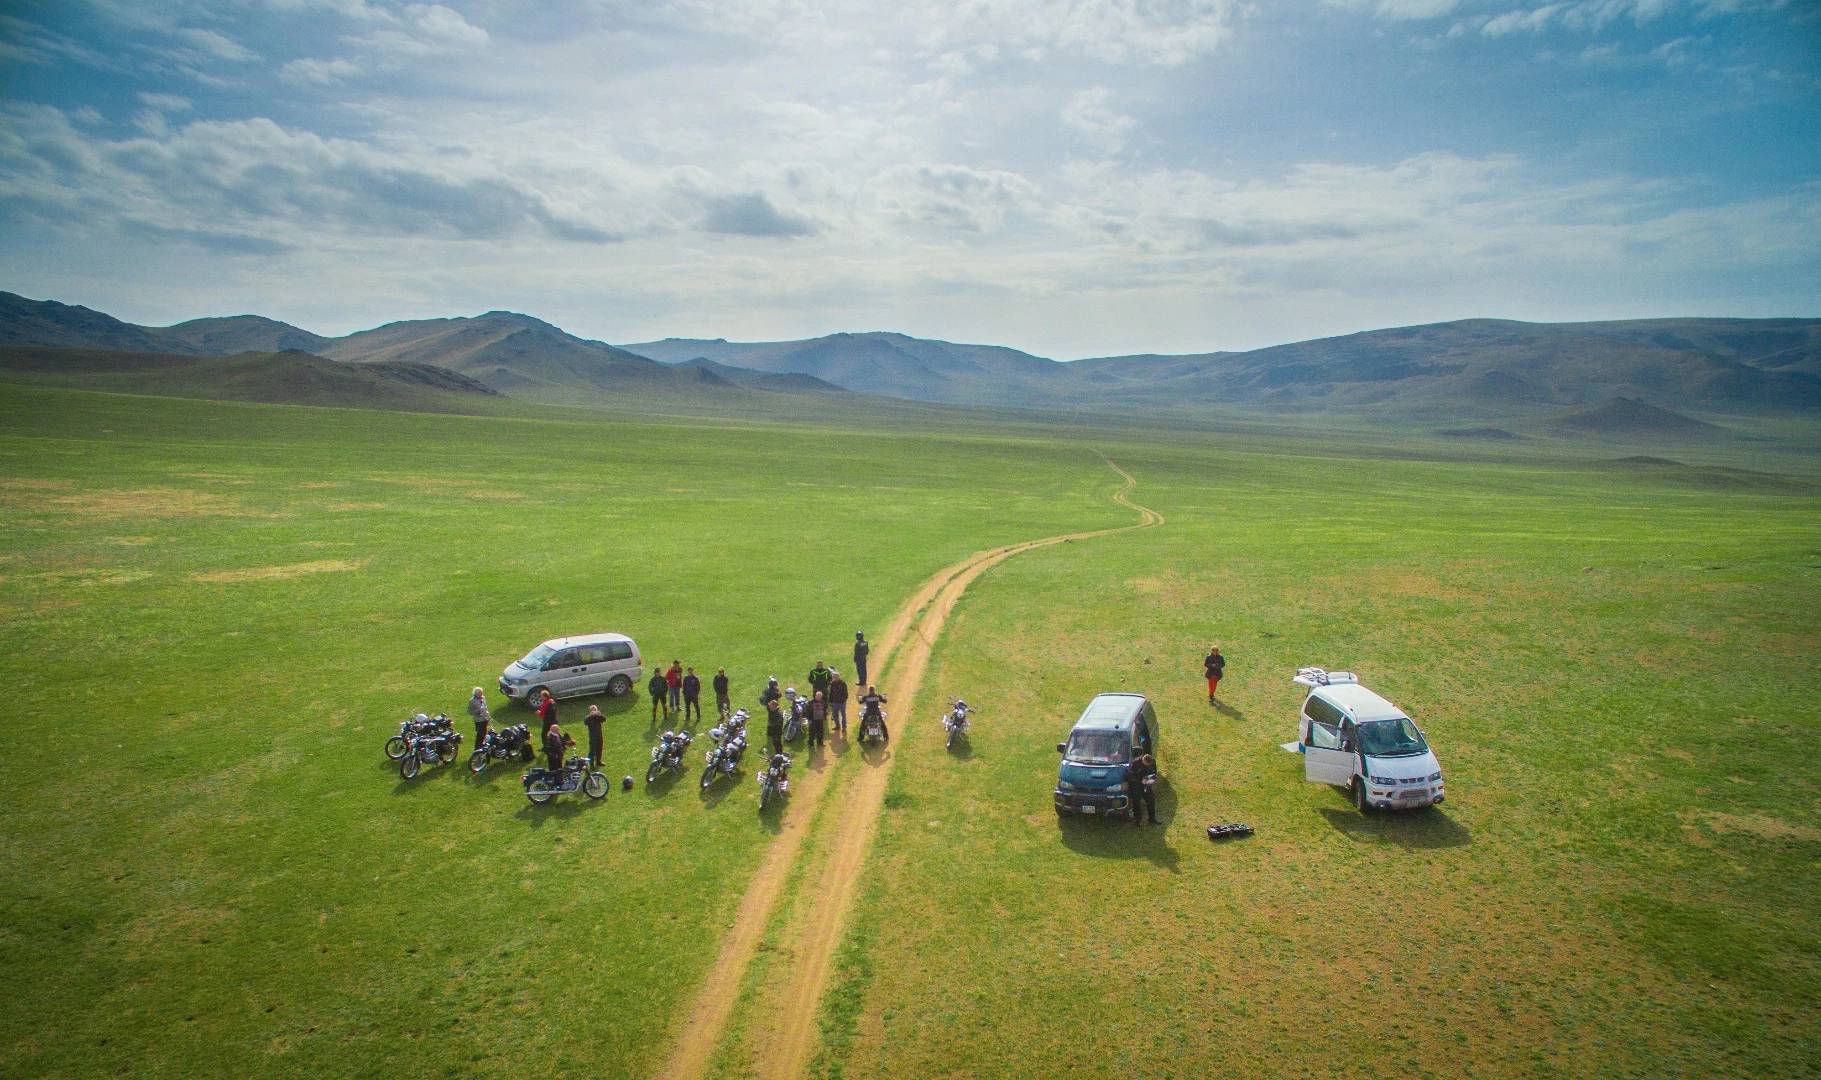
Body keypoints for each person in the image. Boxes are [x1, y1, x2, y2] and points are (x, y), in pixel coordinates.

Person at [1127, 753, 1159, 825]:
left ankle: (1152, 818)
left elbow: (1154, 772)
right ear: (1143, 760)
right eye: (1146, 764)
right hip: (1136, 786)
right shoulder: (1135, 763)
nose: (1148, 766)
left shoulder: (1152, 761)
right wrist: (1140, 780)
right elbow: (1130, 776)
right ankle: (1138, 820)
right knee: (1137, 802)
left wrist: (1151, 779)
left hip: (1147, 785)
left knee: (1151, 800)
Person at [827, 670, 848, 735]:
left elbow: (845, 693)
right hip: (835, 702)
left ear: (839, 677)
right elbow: (831, 693)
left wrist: (843, 700)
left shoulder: (843, 683)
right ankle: (837, 726)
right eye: (834, 677)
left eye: (836, 677)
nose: (835, 678)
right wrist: (830, 701)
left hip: (841, 702)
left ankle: (844, 727)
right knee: (835, 715)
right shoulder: (832, 684)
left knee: (843, 715)